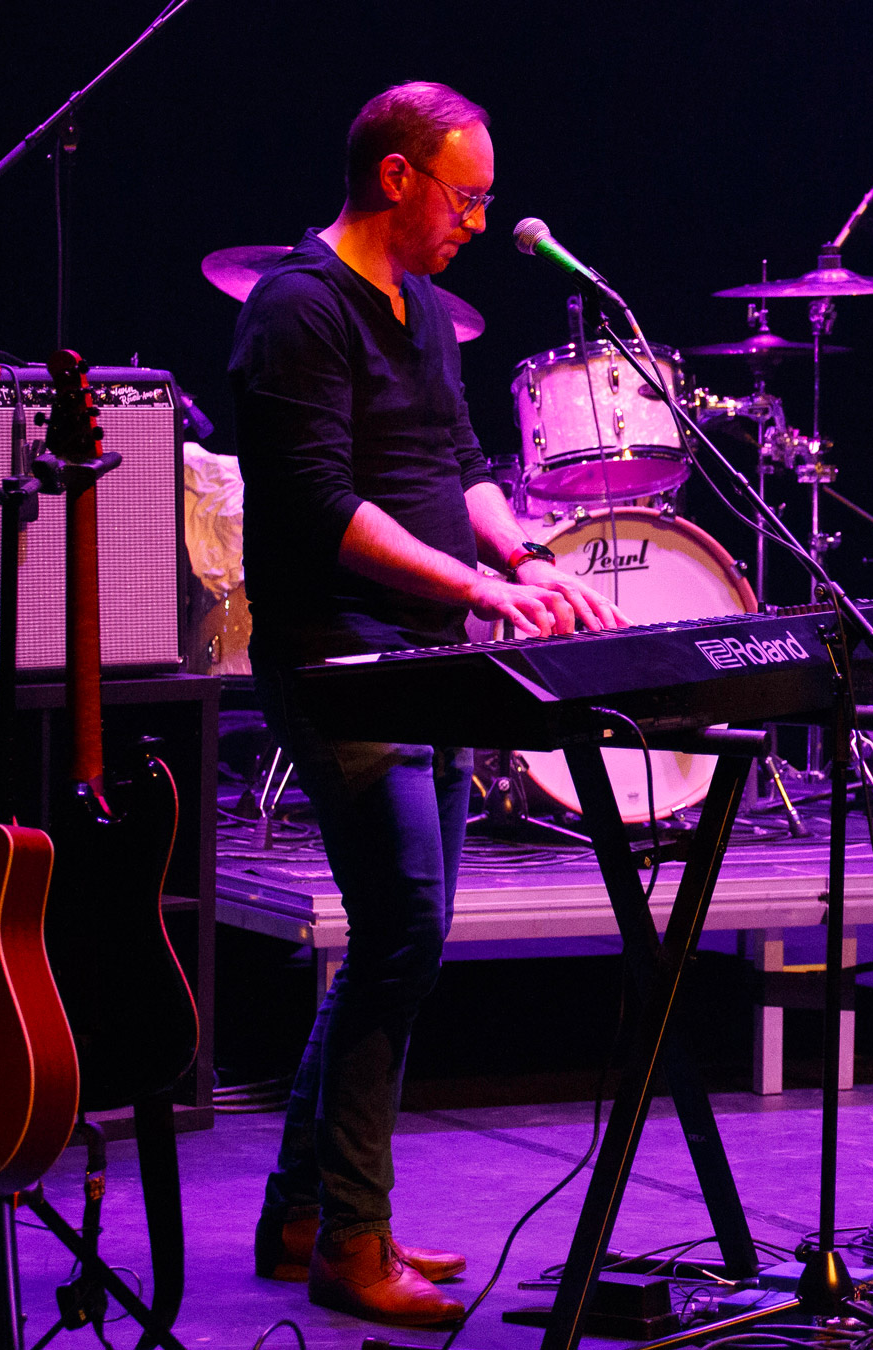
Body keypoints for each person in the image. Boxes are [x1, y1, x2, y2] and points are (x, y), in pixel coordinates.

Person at [229, 80, 626, 1328]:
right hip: (341, 659)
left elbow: (458, 473)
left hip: (430, 661)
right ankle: (353, 1239)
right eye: (467, 195)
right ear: (397, 178)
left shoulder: (425, 314)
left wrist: (524, 563)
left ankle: (304, 1214)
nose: (477, 219)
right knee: (399, 935)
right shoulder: (298, 313)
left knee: (408, 944)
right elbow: (322, 512)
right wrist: (474, 586)